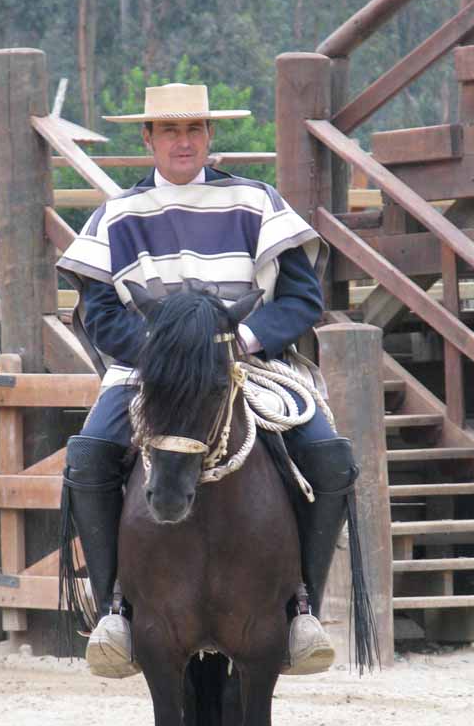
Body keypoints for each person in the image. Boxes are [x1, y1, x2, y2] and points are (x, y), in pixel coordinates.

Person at [57, 83, 357, 678]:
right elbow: (100, 313)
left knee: (330, 459)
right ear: (147, 138)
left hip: (252, 364)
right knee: (88, 456)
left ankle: (302, 611)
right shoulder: (116, 215)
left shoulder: (258, 201)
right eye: (169, 131)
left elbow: (302, 298)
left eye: (194, 129)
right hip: (149, 373)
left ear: (210, 136)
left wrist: (239, 342)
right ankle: (115, 609)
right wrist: (172, 356)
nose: (183, 141)